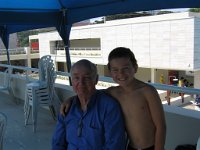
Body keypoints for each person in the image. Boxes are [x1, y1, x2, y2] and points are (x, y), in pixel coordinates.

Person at [61, 47, 166, 150]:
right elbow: (89, 92)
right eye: (115, 70)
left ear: (135, 67)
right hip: (131, 147)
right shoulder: (114, 92)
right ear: (110, 72)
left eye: (125, 68)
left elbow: (161, 126)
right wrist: (71, 99)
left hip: (151, 147)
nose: (120, 74)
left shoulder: (148, 91)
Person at [52, 59, 126, 150]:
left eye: (87, 78)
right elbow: (57, 142)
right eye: (76, 78)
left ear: (96, 79)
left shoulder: (109, 108)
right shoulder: (67, 108)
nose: (81, 83)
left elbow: (114, 145)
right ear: (72, 80)